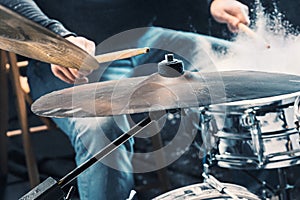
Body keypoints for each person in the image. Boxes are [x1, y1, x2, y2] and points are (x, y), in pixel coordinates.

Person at [0, 0, 250, 199]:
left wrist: (209, 3)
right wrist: (57, 43)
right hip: (66, 56)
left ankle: (256, 183)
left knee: (242, 62)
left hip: (142, 40)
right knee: (103, 128)